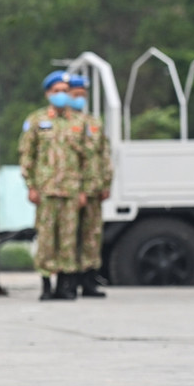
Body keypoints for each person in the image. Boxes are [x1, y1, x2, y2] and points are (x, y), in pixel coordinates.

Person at [18, 71, 89, 301]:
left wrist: (84, 190)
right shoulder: (36, 121)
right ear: (48, 94)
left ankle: (66, 285)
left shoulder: (79, 123)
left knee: (68, 239)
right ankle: (46, 285)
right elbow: (27, 155)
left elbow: (87, 160)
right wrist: (31, 186)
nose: (61, 95)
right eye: (57, 91)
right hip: (46, 190)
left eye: (65, 91)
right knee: (47, 239)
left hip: (71, 190)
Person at [69, 75, 110, 298]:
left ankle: (89, 279)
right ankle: (69, 280)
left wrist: (106, 182)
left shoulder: (93, 123)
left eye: (82, 95)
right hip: (70, 190)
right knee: (69, 236)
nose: (80, 99)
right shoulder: (65, 124)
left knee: (91, 236)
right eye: (76, 94)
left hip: (94, 189)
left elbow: (104, 155)